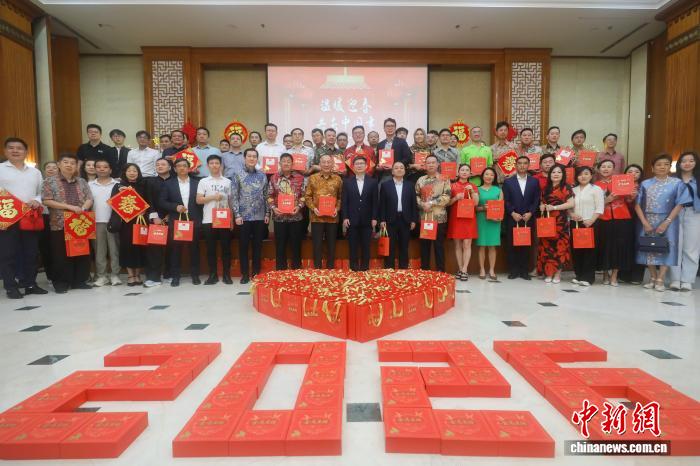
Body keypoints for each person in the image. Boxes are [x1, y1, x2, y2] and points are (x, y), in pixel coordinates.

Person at [635, 154, 692, 291]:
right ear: (652, 168)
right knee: (648, 246)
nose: (662, 167)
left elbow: (680, 204)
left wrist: (667, 222)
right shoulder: (645, 184)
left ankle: (661, 278)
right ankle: (653, 277)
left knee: (667, 247)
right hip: (647, 219)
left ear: (670, 167)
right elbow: (637, 204)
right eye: (659, 164)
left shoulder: (677, 183)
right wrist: (644, 222)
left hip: (669, 220)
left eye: (666, 164)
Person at [0, 138, 47, 298]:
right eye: (11, 148)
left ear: (26, 152)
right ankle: (10, 287)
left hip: (29, 217)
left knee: (31, 252)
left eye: (19, 148)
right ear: (5, 151)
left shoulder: (35, 172)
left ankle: (30, 284)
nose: (15, 151)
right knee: (8, 253)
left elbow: (40, 193)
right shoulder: (0, 169)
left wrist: (37, 200)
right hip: (7, 218)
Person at [41, 153, 94, 293]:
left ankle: (79, 281)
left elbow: (89, 198)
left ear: (76, 166)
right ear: (59, 164)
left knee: (81, 252)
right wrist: (70, 207)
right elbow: (46, 200)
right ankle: (61, 282)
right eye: (66, 162)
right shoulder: (49, 181)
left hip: (80, 222)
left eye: (72, 163)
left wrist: (83, 208)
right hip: (59, 223)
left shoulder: (82, 181)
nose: (69, 165)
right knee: (60, 254)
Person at [159, 157, 202, 287]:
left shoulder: (197, 183)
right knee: (175, 249)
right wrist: (175, 207)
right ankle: (175, 276)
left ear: (189, 168)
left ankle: (195, 275)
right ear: (174, 169)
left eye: (184, 166)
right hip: (177, 220)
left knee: (194, 249)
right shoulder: (168, 184)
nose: (182, 168)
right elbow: (162, 201)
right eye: (179, 166)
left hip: (193, 219)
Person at [231, 148, 270, 284]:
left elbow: (266, 195)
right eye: (249, 156)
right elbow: (234, 196)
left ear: (257, 159)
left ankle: (256, 272)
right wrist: (237, 214)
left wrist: (267, 213)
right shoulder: (237, 174)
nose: (252, 158)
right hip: (244, 217)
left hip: (259, 216)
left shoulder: (262, 175)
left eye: (254, 156)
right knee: (243, 246)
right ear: (245, 158)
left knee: (257, 246)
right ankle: (245, 274)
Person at [595, 160, 635, 286]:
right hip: (603, 218)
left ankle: (614, 275)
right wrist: (606, 200)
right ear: (598, 169)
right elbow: (593, 205)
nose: (606, 169)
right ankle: (605, 274)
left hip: (621, 217)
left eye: (609, 166)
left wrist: (632, 196)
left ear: (614, 169)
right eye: (603, 166)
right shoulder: (595, 185)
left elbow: (629, 200)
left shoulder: (621, 181)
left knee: (619, 247)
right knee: (604, 246)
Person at [196, 154, 234, 285]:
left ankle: (226, 275)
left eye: (217, 163)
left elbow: (230, 202)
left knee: (226, 248)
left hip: (224, 219)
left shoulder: (227, 182)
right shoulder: (203, 181)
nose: (214, 165)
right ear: (208, 166)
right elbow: (199, 200)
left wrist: (231, 219)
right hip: (209, 220)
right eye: (211, 163)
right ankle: (213, 275)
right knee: (211, 249)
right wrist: (213, 197)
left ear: (221, 165)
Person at [503, 155, 540, 280]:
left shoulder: (534, 181)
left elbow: (536, 199)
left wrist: (530, 213)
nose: (522, 165)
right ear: (516, 165)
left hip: (528, 217)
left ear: (529, 165)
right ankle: (513, 270)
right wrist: (512, 213)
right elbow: (506, 200)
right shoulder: (508, 182)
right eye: (520, 163)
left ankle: (524, 271)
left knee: (526, 244)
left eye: (525, 163)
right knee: (512, 244)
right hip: (513, 217)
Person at [110, 163, 148, 286]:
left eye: (134, 171)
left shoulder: (144, 184)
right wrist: (121, 193)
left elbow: (149, 201)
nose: (132, 173)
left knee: (140, 247)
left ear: (138, 173)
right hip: (125, 222)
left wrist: (145, 210)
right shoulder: (118, 186)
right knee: (127, 247)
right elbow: (113, 203)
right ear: (124, 173)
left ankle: (138, 274)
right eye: (129, 171)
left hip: (141, 220)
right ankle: (131, 275)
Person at [268, 153, 305, 270]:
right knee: (280, 245)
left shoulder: (300, 178)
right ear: (280, 163)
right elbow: (269, 196)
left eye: (289, 161)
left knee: (296, 245)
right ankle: (280, 270)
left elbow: (304, 196)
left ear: (292, 164)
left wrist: (299, 206)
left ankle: (296, 270)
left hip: (296, 217)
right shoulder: (273, 178)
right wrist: (274, 208)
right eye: (284, 161)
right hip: (279, 217)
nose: (286, 163)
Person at [537, 165, 574, 283]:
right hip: (547, 222)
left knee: (560, 248)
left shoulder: (566, 187)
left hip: (560, 222)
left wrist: (554, 207)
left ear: (563, 175)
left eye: (559, 172)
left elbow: (571, 204)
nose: (556, 174)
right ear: (550, 174)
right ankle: (549, 273)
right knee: (547, 247)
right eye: (553, 172)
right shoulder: (546, 188)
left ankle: (557, 274)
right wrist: (542, 206)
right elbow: (542, 202)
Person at [305, 154, 343, 269]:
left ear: (332, 164)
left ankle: (330, 268)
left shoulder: (338, 179)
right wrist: (313, 208)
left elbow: (341, 197)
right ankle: (317, 269)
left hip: (332, 217)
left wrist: (337, 208)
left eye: (328, 162)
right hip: (317, 217)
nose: (326, 164)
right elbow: (307, 196)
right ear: (319, 164)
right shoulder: (312, 178)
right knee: (317, 245)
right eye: (324, 162)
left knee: (331, 245)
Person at [669, 151, 700, 291]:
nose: (687, 163)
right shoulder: (672, 180)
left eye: (691, 160)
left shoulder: (698, 179)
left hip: (694, 213)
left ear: (696, 163)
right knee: (674, 246)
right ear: (679, 164)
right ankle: (674, 279)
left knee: (691, 248)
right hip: (675, 213)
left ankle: (687, 280)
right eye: (684, 161)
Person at [569, 166, 604, 286]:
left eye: (586, 174)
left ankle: (588, 277)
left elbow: (600, 208)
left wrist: (591, 220)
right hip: (575, 223)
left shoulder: (596, 189)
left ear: (591, 175)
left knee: (590, 251)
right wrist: (571, 214)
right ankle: (578, 275)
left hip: (590, 223)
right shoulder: (572, 190)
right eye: (580, 174)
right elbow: (569, 206)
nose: (583, 176)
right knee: (576, 250)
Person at [379, 161, 418, 269]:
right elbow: (382, 204)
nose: (399, 169)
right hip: (390, 219)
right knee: (389, 246)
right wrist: (382, 220)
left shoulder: (410, 185)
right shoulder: (385, 185)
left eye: (401, 167)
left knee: (404, 246)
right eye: (396, 168)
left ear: (405, 171)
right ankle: (389, 269)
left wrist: (413, 220)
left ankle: (403, 269)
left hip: (405, 219)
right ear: (392, 171)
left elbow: (413, 204)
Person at [342, 156, 378, 271]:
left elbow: (375, 201)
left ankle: (365, 267)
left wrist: (374, 217)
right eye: (357, 164)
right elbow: (344, 201)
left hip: (368, 219)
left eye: (362, 163)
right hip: (352, 219)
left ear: (366, 166)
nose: (359, 165)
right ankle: (353, 268)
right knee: (352, 245)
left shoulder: (373, 182)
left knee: (366, 245)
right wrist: (345, 217)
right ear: (353, 166)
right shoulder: (347, 182)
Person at [416, 155, 451, 271]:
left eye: (433, 162)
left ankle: (440, 271)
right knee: (424, 246)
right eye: (428, 163)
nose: (431, 165)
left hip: (439, 218)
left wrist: (431, 203)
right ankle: (424, 270)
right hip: (424, 217)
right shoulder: (420, 180)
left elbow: (447, 197)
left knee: (439, 246)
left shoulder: (444, 178)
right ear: (425, 165)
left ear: (437, 164)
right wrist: (422, 204)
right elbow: (415, 195)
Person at [88, 159, 120, 287]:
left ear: (110, 170)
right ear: (95, 169)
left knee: (114, 250)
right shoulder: (89, 185)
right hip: (96, 221)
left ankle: (115, 275)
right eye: (99, 167)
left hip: (114, 222)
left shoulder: (118, 184)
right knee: (99, 251)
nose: (102, 169)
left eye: (105, 167)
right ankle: (102, 276)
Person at [143, 157, 173, 287]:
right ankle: (153, 277)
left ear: (170, 167)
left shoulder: (175, 181)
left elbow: (178, 199)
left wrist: (171, 215)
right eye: (157, 164)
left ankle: (169, 274)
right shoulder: (150, 182)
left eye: (163, 164)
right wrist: (154, 217)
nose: (160, 166)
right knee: (154, 249)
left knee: (172, 248)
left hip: (171, 217)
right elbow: (148, 200)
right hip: (155, 219)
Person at [447, 164, 479, 280]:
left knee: (467, 244)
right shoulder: (452, 186)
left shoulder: (473, 186)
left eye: (467, 170)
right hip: (456, 217)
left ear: (470, 173)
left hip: (469, 218)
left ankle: (465, 270)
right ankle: (460, 269)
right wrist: (456, 198)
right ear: (458, 172)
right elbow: (447, 203)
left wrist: (473, 192)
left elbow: (476, 203)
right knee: (458, 244)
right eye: (462, 170)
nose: (464, 172)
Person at [618, 164, 646, 285]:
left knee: (639, 245)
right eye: (630, 171)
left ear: (641, 175)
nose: (633, 174)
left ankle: (637, 276)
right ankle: (623, 274)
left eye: (637, 172)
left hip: (640, 219)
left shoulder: (645, 186)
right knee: (624, 245)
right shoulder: (619, 185)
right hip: (623, 219)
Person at [475, 167, 502, 281]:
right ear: (482, 176)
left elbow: (501, 206)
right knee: (481, 246)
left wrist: (498, 216)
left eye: (491, 175)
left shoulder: (498, 190)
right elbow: (474, 208)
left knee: (492, 246)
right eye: (486, 174)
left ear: (494, 177)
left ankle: (491, 270)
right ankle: (482, 269)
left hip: (494, 221)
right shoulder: (477, 190)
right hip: (481, 220)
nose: (489, 177)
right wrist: (483, 208)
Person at [39, 161, 59, 283]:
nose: (51, 169)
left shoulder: (61, 184)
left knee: (58, 247)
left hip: (58, 217)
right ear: (44, 170)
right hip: (43, 217)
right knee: (45, 247)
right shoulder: (40, 183)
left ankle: (60, 273)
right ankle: (50, 275)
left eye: (54, 167)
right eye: (48, 167)